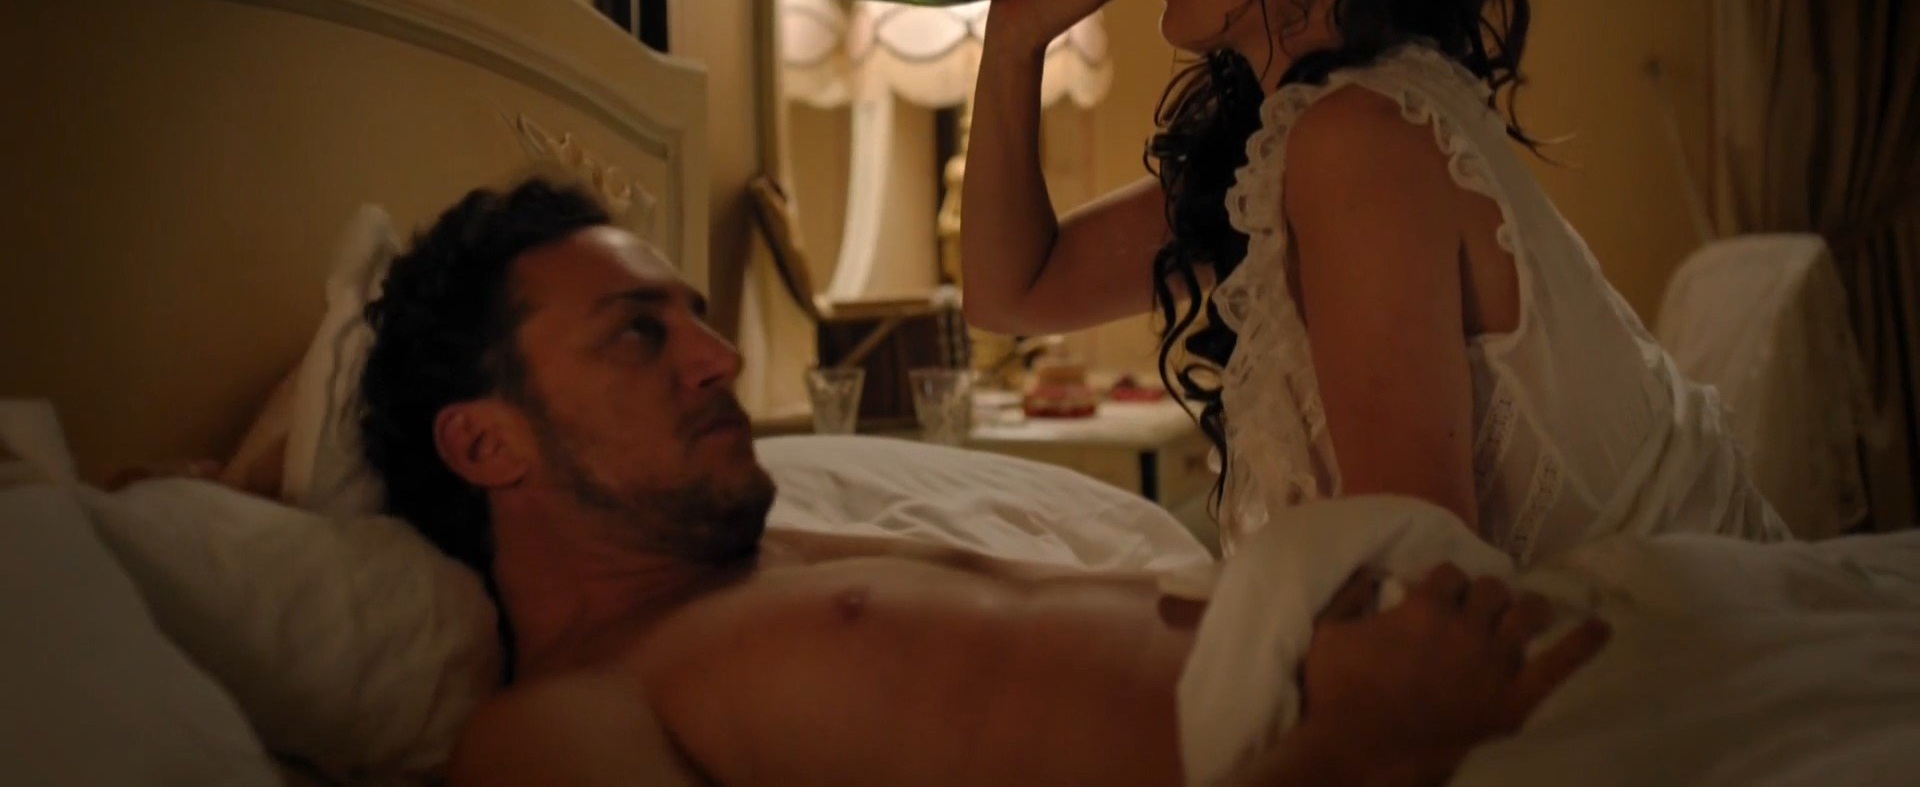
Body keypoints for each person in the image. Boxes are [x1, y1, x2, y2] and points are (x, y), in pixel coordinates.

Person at [355, 177, 1608, 785]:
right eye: (638, 334)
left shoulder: (754, 574)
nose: (718, 356)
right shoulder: (557, 725)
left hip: (1426, 669)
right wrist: (1362, 746)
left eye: (694, 316)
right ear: (484, 445)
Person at [959, 0, 1788, 562]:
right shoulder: (1299, 129)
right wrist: (1014, 44)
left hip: (1661, 616)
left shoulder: (1361, 137)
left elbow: (1421, 558)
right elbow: (1012, 295)